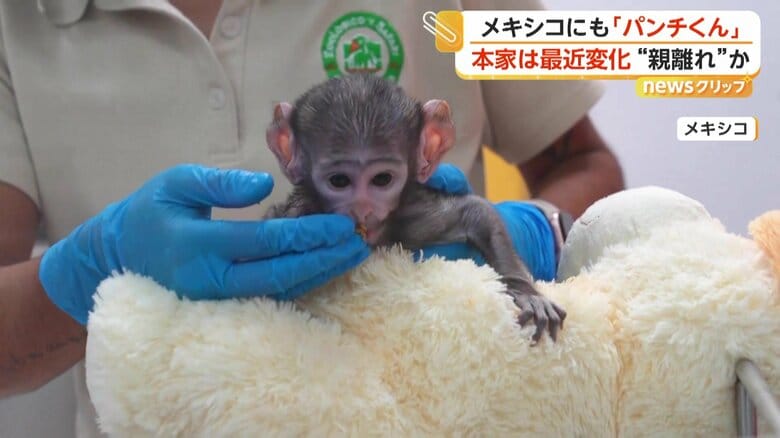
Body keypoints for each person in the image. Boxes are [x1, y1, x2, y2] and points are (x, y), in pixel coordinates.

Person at [0, 0, 624, 436]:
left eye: (382, 179)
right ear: (289, 153)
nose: (361, 207)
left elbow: (586, 160)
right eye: (339, 182)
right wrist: (93, 269)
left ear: (429, 148)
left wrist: (537, 233)